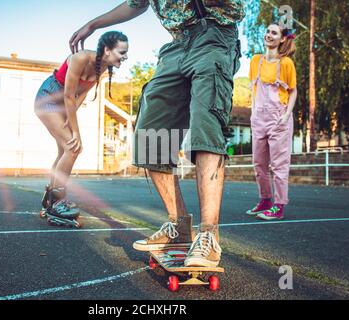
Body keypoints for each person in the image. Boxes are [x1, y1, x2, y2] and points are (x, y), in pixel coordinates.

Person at [70, 1, 244, 267]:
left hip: (215, 35)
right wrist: (93, 25)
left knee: (206, 124)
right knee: (150, 132)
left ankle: (209, 235)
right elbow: (135, 4)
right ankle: (179, 226)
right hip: (177, 44)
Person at [35, 31, 129, 224]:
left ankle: (50, 198)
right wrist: (76, 131)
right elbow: (69, 95)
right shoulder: (80, 58)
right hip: (48, 97)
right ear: (107, 50)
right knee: (73, 147)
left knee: (64, 150)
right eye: (122, 52)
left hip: (64, 103)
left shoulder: (101, 67)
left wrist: (71, 118)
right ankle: (56, 203)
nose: (125, 56)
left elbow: (82, 94)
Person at [245, 23, 297, 221]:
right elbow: (254, 89)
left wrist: (286, 116)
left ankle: (279, 205)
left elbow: (293, 91)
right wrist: (253, 113)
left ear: (282, 39)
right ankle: (265, 200)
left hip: (278, 118)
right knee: (259, 164)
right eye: (267, 31)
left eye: (274, 32)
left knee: (279, 165)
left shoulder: (286, 64)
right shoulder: (255, 60)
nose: (269, 34)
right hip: (258, 118)